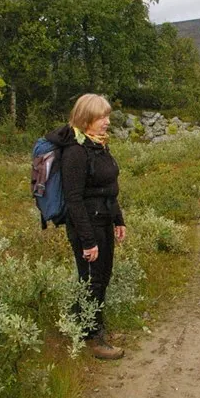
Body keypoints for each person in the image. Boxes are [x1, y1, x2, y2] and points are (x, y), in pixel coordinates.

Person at [45, 93, 127, 360]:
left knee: (101, 278)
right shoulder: (76, 152)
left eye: (107, 116)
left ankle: (85, 326)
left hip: (103, 219)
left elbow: (108, 188)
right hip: (86, 224)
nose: (107, 121)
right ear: (85, 119)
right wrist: (88, 240)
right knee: (92, 280)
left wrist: (118, 219)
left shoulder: (97, 144)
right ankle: (94, 339)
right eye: (101, 117)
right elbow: (74, 199)